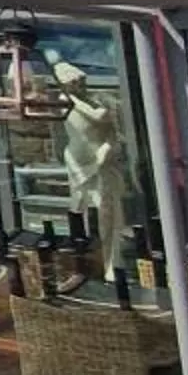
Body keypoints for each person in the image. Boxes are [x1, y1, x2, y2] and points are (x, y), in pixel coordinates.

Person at [53, 58, 133, 281]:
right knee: (79, 213)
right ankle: (83, 265)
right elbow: (58, 135)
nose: (77, 87)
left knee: (108, 213)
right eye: (71, 85)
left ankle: (112, 263)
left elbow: (105, 122)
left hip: (100, 162)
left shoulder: (98, 101)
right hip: (77, 163)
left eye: (78, 82)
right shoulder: (61, 103)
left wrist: (108, 149)